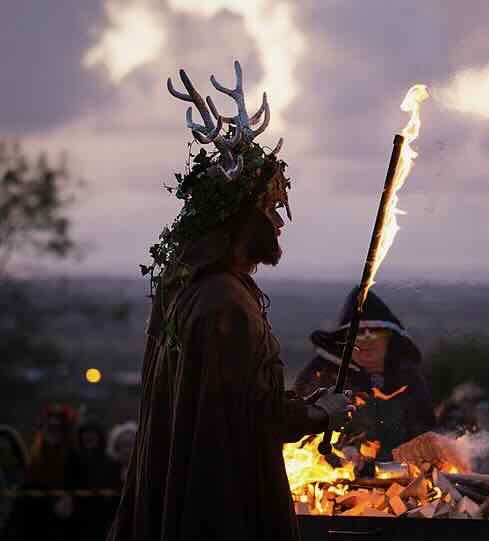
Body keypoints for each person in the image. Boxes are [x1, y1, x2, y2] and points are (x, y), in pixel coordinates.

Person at [107, 62, 353, 541]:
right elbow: (249, 413)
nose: (280, 224)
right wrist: (323, 413)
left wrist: (302, 401)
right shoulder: (224, 303)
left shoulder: (184, 287)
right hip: (220, 501)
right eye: (269, 210)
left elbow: (226, 396)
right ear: (242, 219)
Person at [293, 288, 435, 468]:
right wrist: (339, 452)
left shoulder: (407, 375)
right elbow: (298, 434)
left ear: (389, 336)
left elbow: (424, 427)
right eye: (358, 332)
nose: (367, 339)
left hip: (403, 479)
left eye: (375, 331)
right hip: (337, 481)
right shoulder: (320, 374)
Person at [5, 404, 79, 541]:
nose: (53, 431)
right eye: (49, 427)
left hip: (61, 521)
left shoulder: (73, 455)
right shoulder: (34, 453)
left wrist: (70, 499)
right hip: (32, 518)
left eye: (57, 428)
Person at [68, 423, 119, 541]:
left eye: (92, 434)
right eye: (86, 434)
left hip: (103, 517)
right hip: (78, 517)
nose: (89, 437)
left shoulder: (111, 463)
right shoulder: (73, 461)